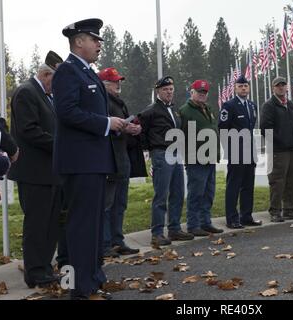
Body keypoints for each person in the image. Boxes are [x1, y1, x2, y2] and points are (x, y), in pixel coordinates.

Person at [53, 18, 127, 300]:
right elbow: (67, 112)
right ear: (78, 41)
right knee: (81, 227)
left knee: (93, 226)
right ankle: (80, 289)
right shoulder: (68, 72)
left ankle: (92, 280)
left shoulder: (88, 73)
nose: (98, 45)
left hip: (93, 162)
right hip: (80, 163)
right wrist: (107, 123)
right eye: (94, 39)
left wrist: (117, 124)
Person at [9, 51, 64, 289]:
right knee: (37, 224)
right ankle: (34, 272)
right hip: (33, 173)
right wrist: (62, 145)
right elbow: (29, 131)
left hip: (48, 172)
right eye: (57, 80)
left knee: (50, 224)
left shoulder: (45, 96)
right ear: (45, 74)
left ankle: (43, 267)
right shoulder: (26, 93)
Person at [139, 76, 194, 247]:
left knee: (178, 193)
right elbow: (142, 131)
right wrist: (150, 149)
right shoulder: (151, 111)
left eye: (171, 89)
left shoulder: (174, 111)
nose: (169, 92)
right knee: (161, 194)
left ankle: (174, 229)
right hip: (162, 153)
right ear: (158, 91)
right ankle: (157, 233)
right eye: (165, 89)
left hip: (176, 153)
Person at [98, 67, 143, 258]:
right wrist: (123, 127)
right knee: (107, 204)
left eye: (119, 81)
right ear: (104, 84)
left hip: (122, 157)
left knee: (120, 203)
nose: (118, 84)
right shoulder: (101, 103)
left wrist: (133, 128)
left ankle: (118, 240)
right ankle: (105, 244)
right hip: (108, 159)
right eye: (115, 81)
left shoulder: (120, 102)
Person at [180, 80, 224, 236]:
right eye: (199, 92)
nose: (202, 95)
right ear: (192, 92)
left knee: (208, 193)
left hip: (210, 157)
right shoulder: (185, 111)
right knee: (196, 193)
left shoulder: (208, 109)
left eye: (204, 92)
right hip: (196, 159)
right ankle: (193, 225)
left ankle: (206, 222)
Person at [219, 75, 262, 229]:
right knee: (234, 186)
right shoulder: (229, 106)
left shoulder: (251, 105)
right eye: (240, 86)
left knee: (248, 185)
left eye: (245, 86)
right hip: (236, 151)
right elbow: (223, 129)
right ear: (235, 88)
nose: (243, 88)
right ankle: (232, 218)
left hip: (250, 151)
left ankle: (246, 216)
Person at [260, 77, 293, 222]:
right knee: (277, 181)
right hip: (278, 150)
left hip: (292, 149)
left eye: (283, 85)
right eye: (278, 86)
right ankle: (275, 211)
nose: (281, 88)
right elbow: (265, 128)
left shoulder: (291, 105)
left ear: (287, 87)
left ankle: (289, 209)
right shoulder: (269, 105)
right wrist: (281, 142)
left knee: (292, 180)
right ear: (273, 88)